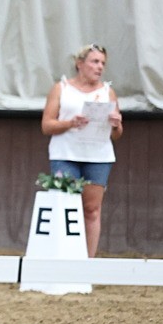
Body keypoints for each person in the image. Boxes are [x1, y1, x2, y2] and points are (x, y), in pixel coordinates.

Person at [40, 43, 124, 257]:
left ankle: (87, 264)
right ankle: (62, 257)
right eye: (95, 62)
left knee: (92, 209)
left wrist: (116, 124)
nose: (99, 67)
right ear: (80, 64)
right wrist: (70, 123)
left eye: (103, 63)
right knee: (65, 207)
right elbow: (47, 125)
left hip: (98, 156)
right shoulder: (62, 89)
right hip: (65, 154)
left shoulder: (108, 92)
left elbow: (116, 135)